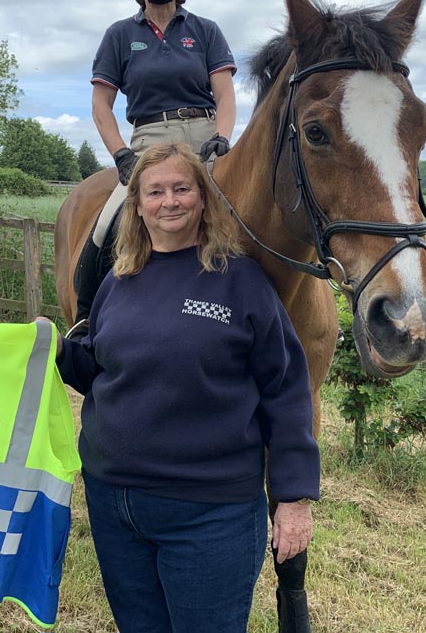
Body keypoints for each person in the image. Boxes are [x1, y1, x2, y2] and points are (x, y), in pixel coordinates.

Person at [56, 143, 320, 632]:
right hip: (114, 503)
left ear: (203, 198)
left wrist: (294, 497)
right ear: (137, 205)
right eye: (155, 192)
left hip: (208, 514)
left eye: (181, 189)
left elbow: (286, 392)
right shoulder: (119, 278)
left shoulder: (241, 282)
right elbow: (98, 368)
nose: (169, 201)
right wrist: (53, 350)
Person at [71, 0, 238, 337]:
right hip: (148, 141)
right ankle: (87, 320)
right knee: (107, 224)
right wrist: (121, 155)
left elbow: (226, 95)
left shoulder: (205, 31)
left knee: (248, 215)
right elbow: (101, 103)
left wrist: (222, 138)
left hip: (203, 137)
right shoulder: (120, 35)